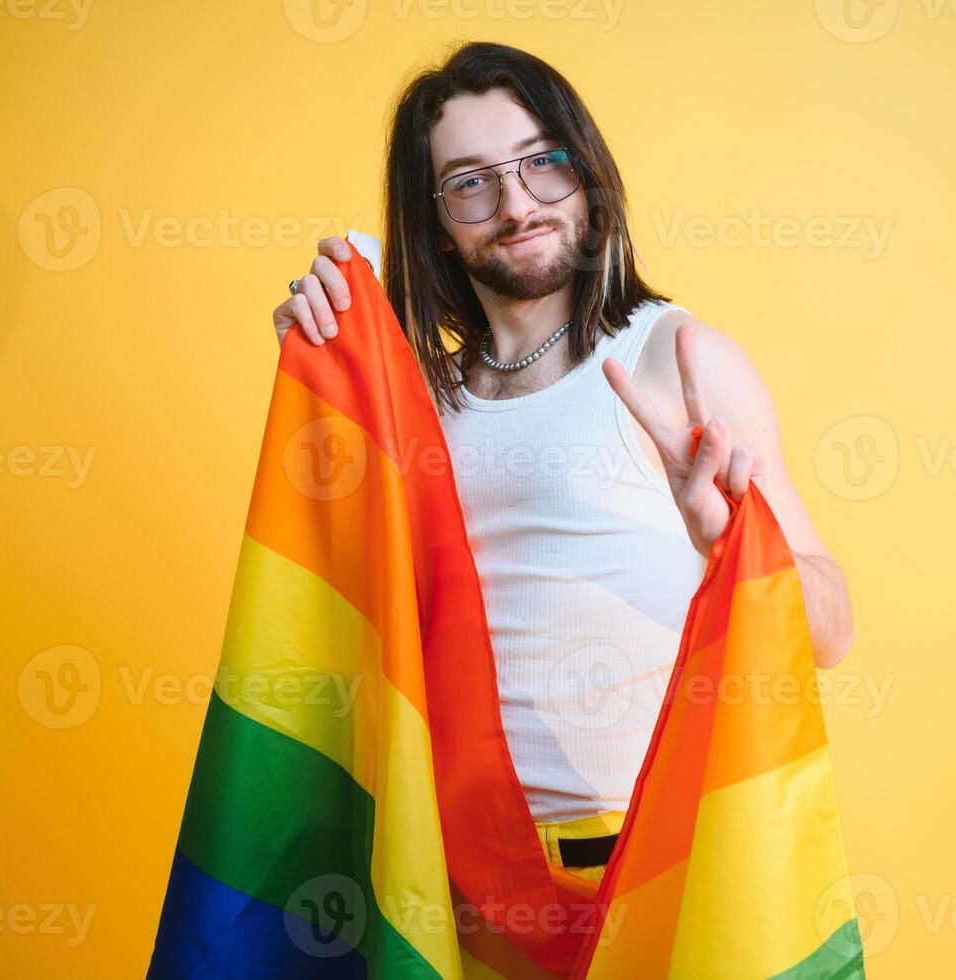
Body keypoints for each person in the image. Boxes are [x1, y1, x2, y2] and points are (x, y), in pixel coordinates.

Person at [270, 41, 854, 886]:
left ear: (583, 172)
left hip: (650, 883)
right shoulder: (414, 404)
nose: (516, 203)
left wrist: (734, 543)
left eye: (541, 163)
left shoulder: (675, 358)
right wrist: (319, 365)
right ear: (433, 219)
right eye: (470, 181)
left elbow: (831, 633)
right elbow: (345, 616)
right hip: (447, 884)